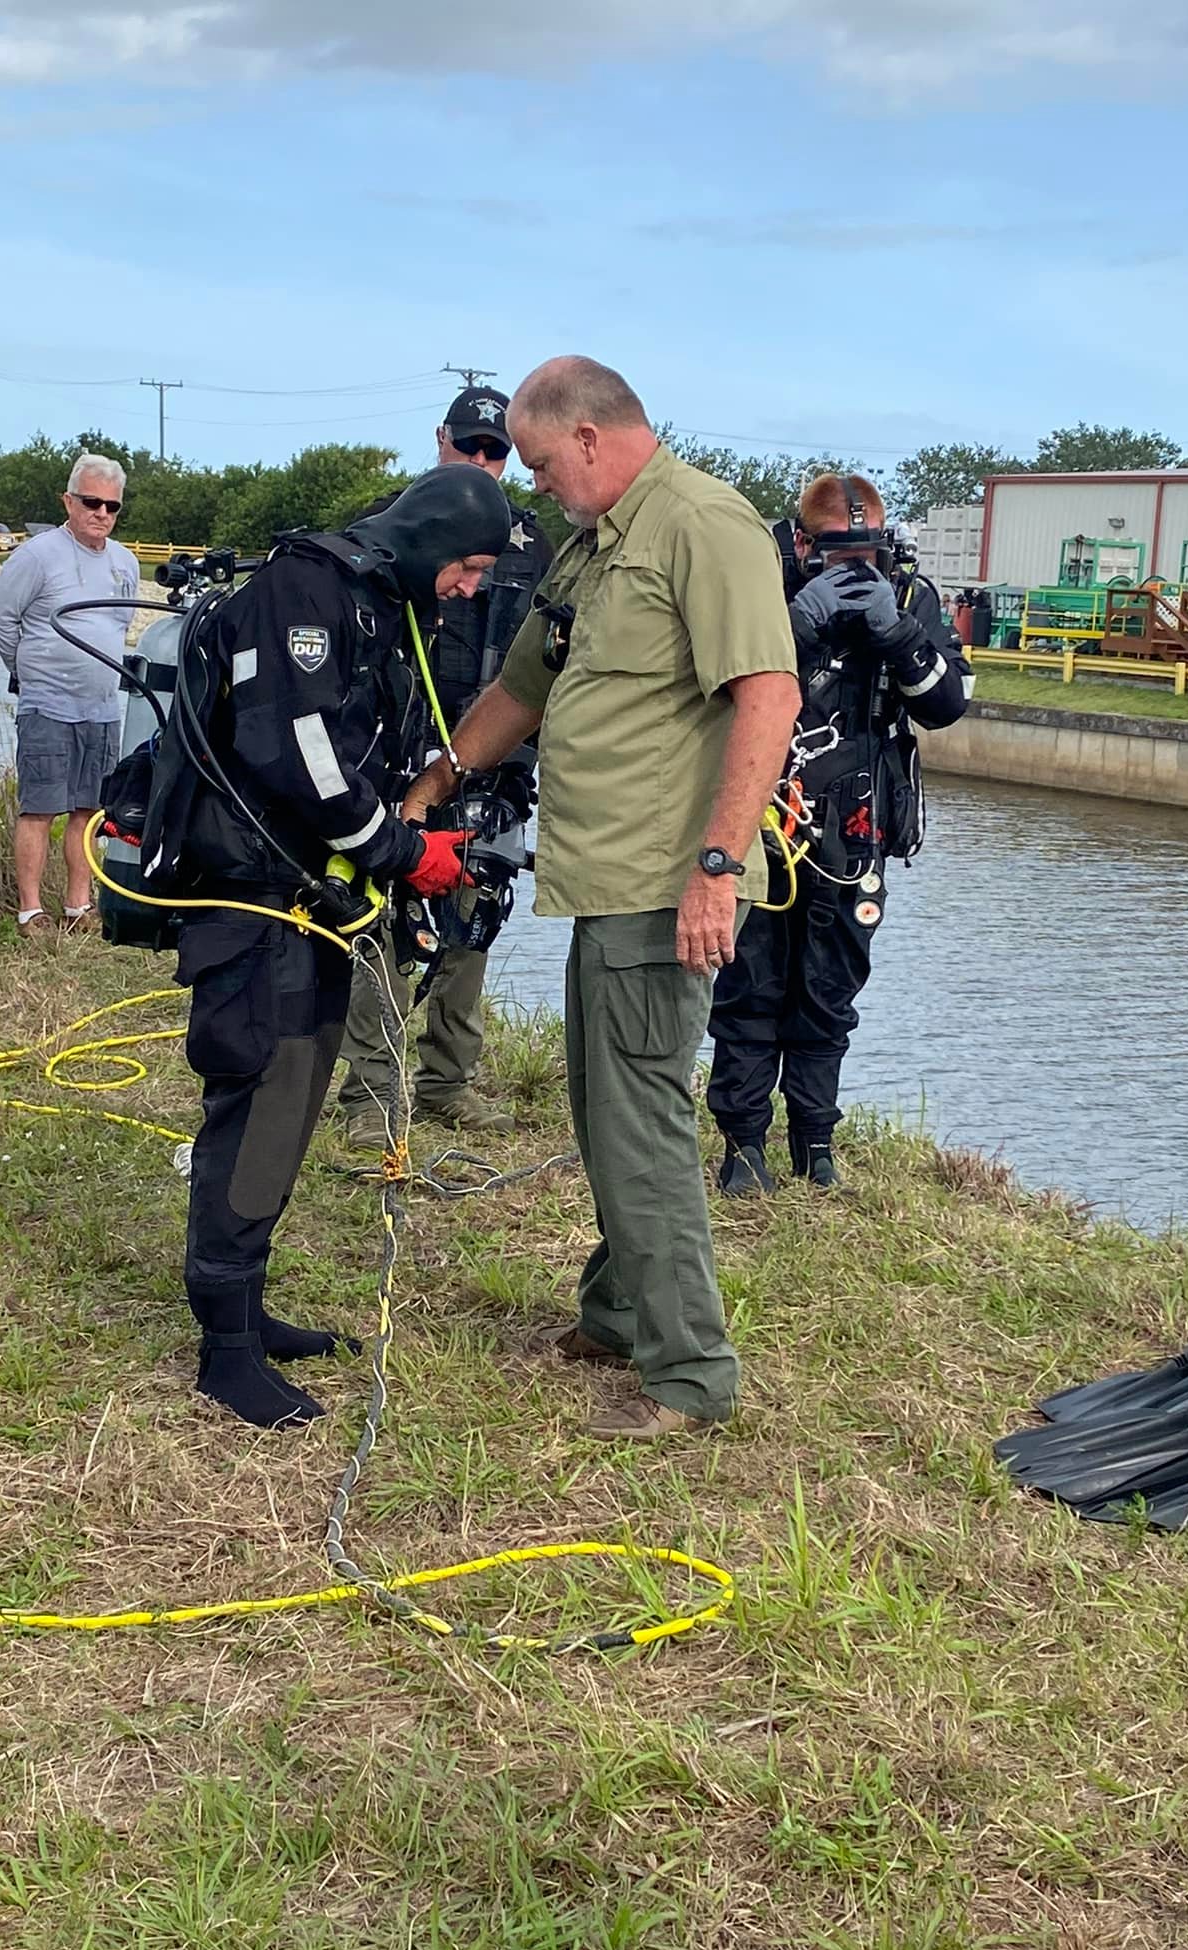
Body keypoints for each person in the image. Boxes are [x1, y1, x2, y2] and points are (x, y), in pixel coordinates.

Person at [403, 357, 800, 1443]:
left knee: (644, 1125)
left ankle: (689, 1374)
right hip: (605, 880)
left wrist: (716, 870)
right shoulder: (591, 545)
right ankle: (617, 1314)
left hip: (669, 886)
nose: (532, 486)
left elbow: (768, 695)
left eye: (535, 463)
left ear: (587, 435)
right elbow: (523, 687)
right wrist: (433, 785)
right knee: (604, 1108)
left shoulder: (703, 526)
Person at [151, 464, 512, 1428]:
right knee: (260, 1099)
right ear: (432, 538)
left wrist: (413, 842)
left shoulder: (378, 603)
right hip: (252, 901)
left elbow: (364, 751)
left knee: (295, 1100)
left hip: (306, 901)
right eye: (470, 567)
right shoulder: (304, 592)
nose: (471, 588)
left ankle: (247, 1311)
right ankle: (223, 1349)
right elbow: (293, 750)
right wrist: (402, 853)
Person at [706, 474, 972, 1195]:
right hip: (765, 814)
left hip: (857, 824)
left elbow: (948, 705)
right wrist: (793, 624)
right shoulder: (762, 585)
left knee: (830, 988)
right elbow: (710, 684)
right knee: (749, 984)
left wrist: (898, 632)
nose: (854, 569)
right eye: (836, 554)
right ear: (800, 542)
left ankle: (816, 1144)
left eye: (868, 553)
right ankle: (742, 1143)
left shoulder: (909, 595)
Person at [337, 387, 553, 1148]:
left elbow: (549, 665)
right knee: (384, 918)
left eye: (499, 451)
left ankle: (447, 1083)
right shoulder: (394, 523)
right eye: (472, 446)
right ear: (442, 441)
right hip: (398, 755)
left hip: (490, 764)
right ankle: (370, 1092)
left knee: (473, 922)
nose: (485, 462)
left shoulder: (534, 545)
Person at [0, 452, 139, 937]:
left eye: (112, 507)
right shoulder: (36, 555)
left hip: (101, 708)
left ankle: (79, 904)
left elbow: (119, 624)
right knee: (40, 808)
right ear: (68, 500)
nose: (102, 515)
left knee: (89, 811)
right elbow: (0, 621)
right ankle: (31, 911)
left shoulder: (125, 563)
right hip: (47, 706)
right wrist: (28, 670)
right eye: (92, 502)